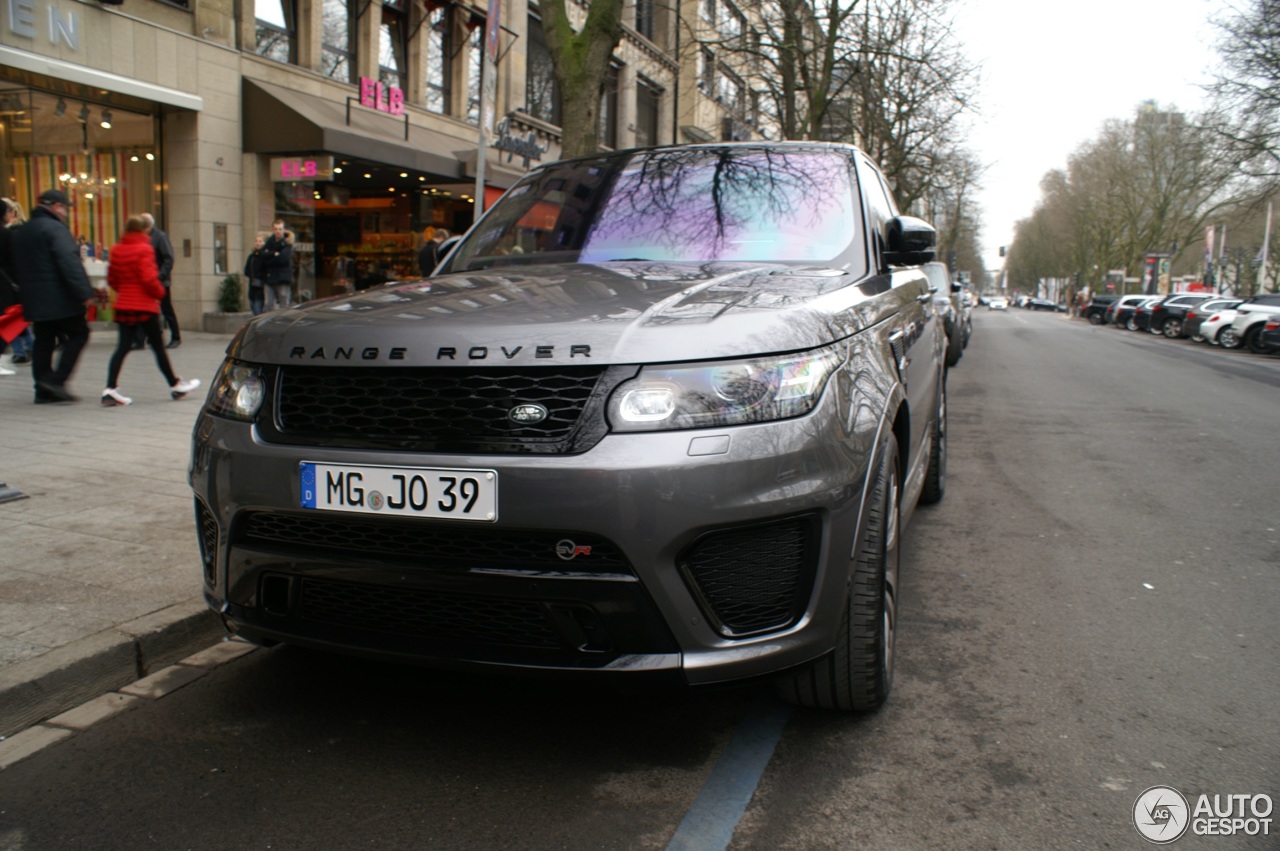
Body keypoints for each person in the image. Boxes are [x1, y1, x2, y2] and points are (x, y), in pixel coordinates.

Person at [100, 214, 201, 407]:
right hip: (144, 305)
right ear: (142, 230)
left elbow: (112, 279)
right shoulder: (144, 249)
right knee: (158, 346)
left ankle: (109, 389)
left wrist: (125, 291)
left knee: (122, 347)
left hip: (124, 306)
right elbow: (148, 278)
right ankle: (174, 385)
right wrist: (159, 292)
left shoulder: (117, 250)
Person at [10, 189, 95, 403]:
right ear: (57, 206)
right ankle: (56, 381)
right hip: (59, 297)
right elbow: (69, 262)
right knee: (79, 334)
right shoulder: (56, 229)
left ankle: (43, 389)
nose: (65, 213)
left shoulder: (24, 230)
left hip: (34, 297)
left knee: (44, 340)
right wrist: (84, 293)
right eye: (65, 208)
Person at [141, 212, 180, 348]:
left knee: (166, 309)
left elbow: (168, 258)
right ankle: (150, 337)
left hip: (160, 281)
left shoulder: (160, 237)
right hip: (147, 281)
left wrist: (160, 276)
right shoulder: (142, 237)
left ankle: (176, 337)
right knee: (148, 310)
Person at [262, 219, 294, 310]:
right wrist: (274, 254)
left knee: (284, 301)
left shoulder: (287, 243)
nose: (278, 231)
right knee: (268, 303)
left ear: (284, 230)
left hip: (283, 278)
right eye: (275, 229)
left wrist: (270, 256)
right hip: (270, 277)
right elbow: (263, 256)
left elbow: (283, 259)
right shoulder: (269, 242)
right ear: (273, 230)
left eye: (280, 229)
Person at [243, 233, 267, 315]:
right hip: (252, 286)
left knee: (258, 309)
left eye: (260, 241)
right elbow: (246, 270)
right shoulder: (252, 257)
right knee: (253, 307)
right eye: (256, 241)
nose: (258, 243)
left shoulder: (265, 256)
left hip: (261, 287)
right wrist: (251, 275)